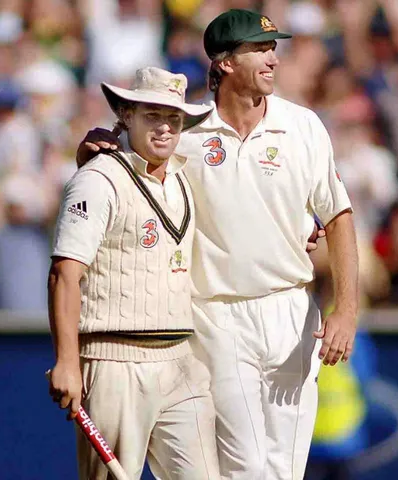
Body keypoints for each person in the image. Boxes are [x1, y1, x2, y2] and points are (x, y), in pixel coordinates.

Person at [78, 9, 359, 479]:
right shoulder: (187, 131)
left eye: (273, 49)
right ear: (225, 62)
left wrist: (346, 309)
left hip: (292, 311)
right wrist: (90, 150)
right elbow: (123, 166)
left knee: (284, 471)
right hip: (218, 314)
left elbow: (338, 216)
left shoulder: (303, 126)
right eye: (259, 50)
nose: (273, 59)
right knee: (244, 467)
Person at [47, 67, 220, 479]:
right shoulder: (97, 179)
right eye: (152, 115)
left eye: (174, 118)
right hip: (114, 360)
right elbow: (64, 274)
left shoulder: (182, 177)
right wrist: (67, 361)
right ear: (126, 115)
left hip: (179, 357)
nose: (164, 128)